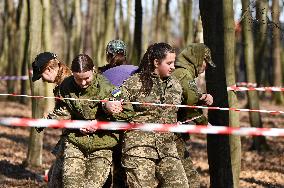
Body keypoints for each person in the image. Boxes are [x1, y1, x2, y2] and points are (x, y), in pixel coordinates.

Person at [112, 43, 189, 187]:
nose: (173, 67)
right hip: (139, 150)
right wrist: (109, 104)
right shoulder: (135, 82)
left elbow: (180, 110)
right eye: (169, 63)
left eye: (174, 63)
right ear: (156, 62)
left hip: (167, 149)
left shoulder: (176, 85)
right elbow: (115, 97)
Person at [51, 54, 120, 188]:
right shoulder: (66, 86)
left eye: (86, 78)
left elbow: (127, 113)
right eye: (78, 79)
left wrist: (107, 110)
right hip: (75, 142)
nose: (83, 83)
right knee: (70, 184)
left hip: (102, 145)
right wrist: (52, 120)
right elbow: (63, 111)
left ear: (93, 70)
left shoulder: (106, 87)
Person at [172, 43, 215, 188]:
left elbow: (186, 98)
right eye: (205, 62)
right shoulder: (183, 73)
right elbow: (190, 104)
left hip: (175, 133)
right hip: (172, 135)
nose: (205, 67)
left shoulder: (183, 73)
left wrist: (201, 97)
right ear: (197, 59)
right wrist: (203, 122)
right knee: (190, 180)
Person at [31, 52, 72, 188]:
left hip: (76, 139)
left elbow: (66, 112)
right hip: (70, 137)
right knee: (54, 177)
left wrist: (47, 121)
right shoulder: (63, 81)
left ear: (48, 69)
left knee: (56, 180)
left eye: (41, 76)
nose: (42, 80)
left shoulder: (66, 83)